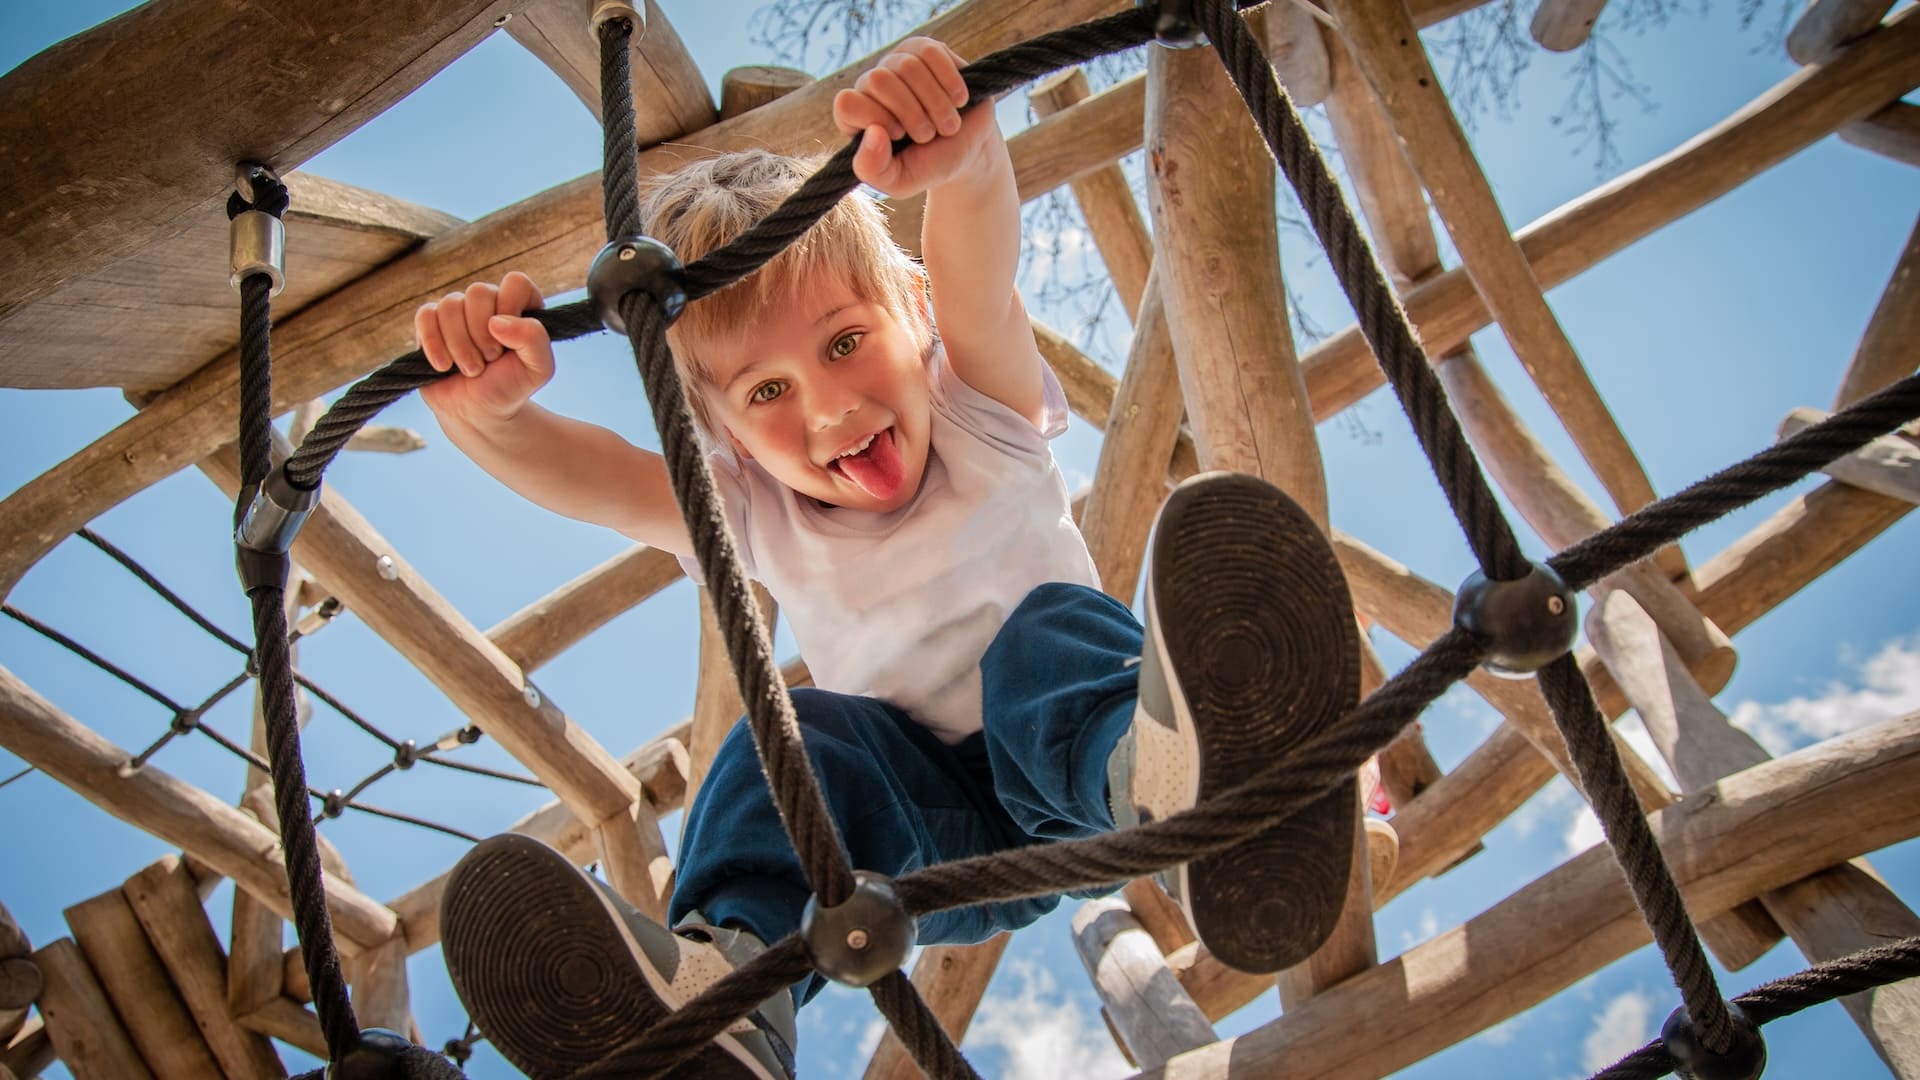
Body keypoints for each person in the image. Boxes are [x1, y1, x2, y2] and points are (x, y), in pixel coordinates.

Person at [420, 37, 1359, 1080]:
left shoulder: (978, 414)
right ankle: (735, 993)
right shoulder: (749, 510)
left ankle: (1190, 792)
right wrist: (491, 422)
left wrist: (965, 160)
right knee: (791, 743)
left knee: (1044, 637)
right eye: (766, 393)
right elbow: (597, 478)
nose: (830, 408)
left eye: (842, 341)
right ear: (721, 433)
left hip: (1089, 782)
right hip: (925, 840)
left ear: (910, 318)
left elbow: (976, 277)